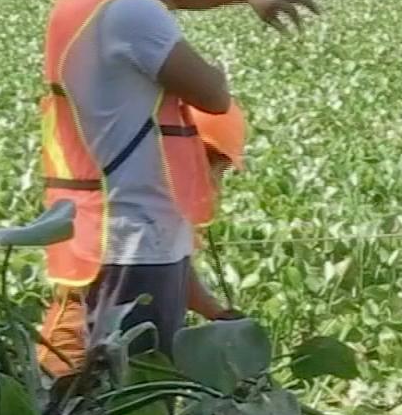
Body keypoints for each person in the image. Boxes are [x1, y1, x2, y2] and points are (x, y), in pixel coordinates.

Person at [39, 0, 317, 363]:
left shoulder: (83, 0)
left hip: (98, 230)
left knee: (87, 391)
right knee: (134, 397)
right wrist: (218, 67)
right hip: (133, 240)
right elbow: (213, 94)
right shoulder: (130, 11)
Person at [39, 101, 249, 378]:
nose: (212, 179)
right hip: (82, 355)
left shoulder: (170, 206)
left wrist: (216, 312)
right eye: (211, 164)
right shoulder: (118, 210)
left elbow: (178, 270)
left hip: (143, 356)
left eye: (219, 168)